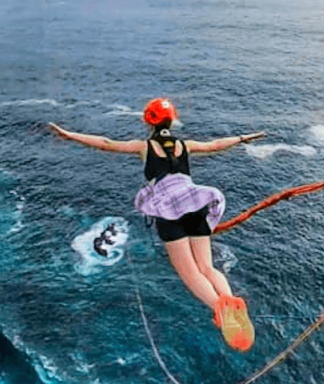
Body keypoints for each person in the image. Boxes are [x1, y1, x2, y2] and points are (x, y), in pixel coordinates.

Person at [49, 97, 265, 352]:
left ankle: (219, 309)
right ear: (171, 120)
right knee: (207, 266)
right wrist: (243, 138)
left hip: (168, 211)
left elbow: (106, 144)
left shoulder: (144, 146)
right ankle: (230, 302)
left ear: (147, 121)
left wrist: (69, 135)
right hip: (196, 203)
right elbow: (216, 145)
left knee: (190, 273)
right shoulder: (185, 145)